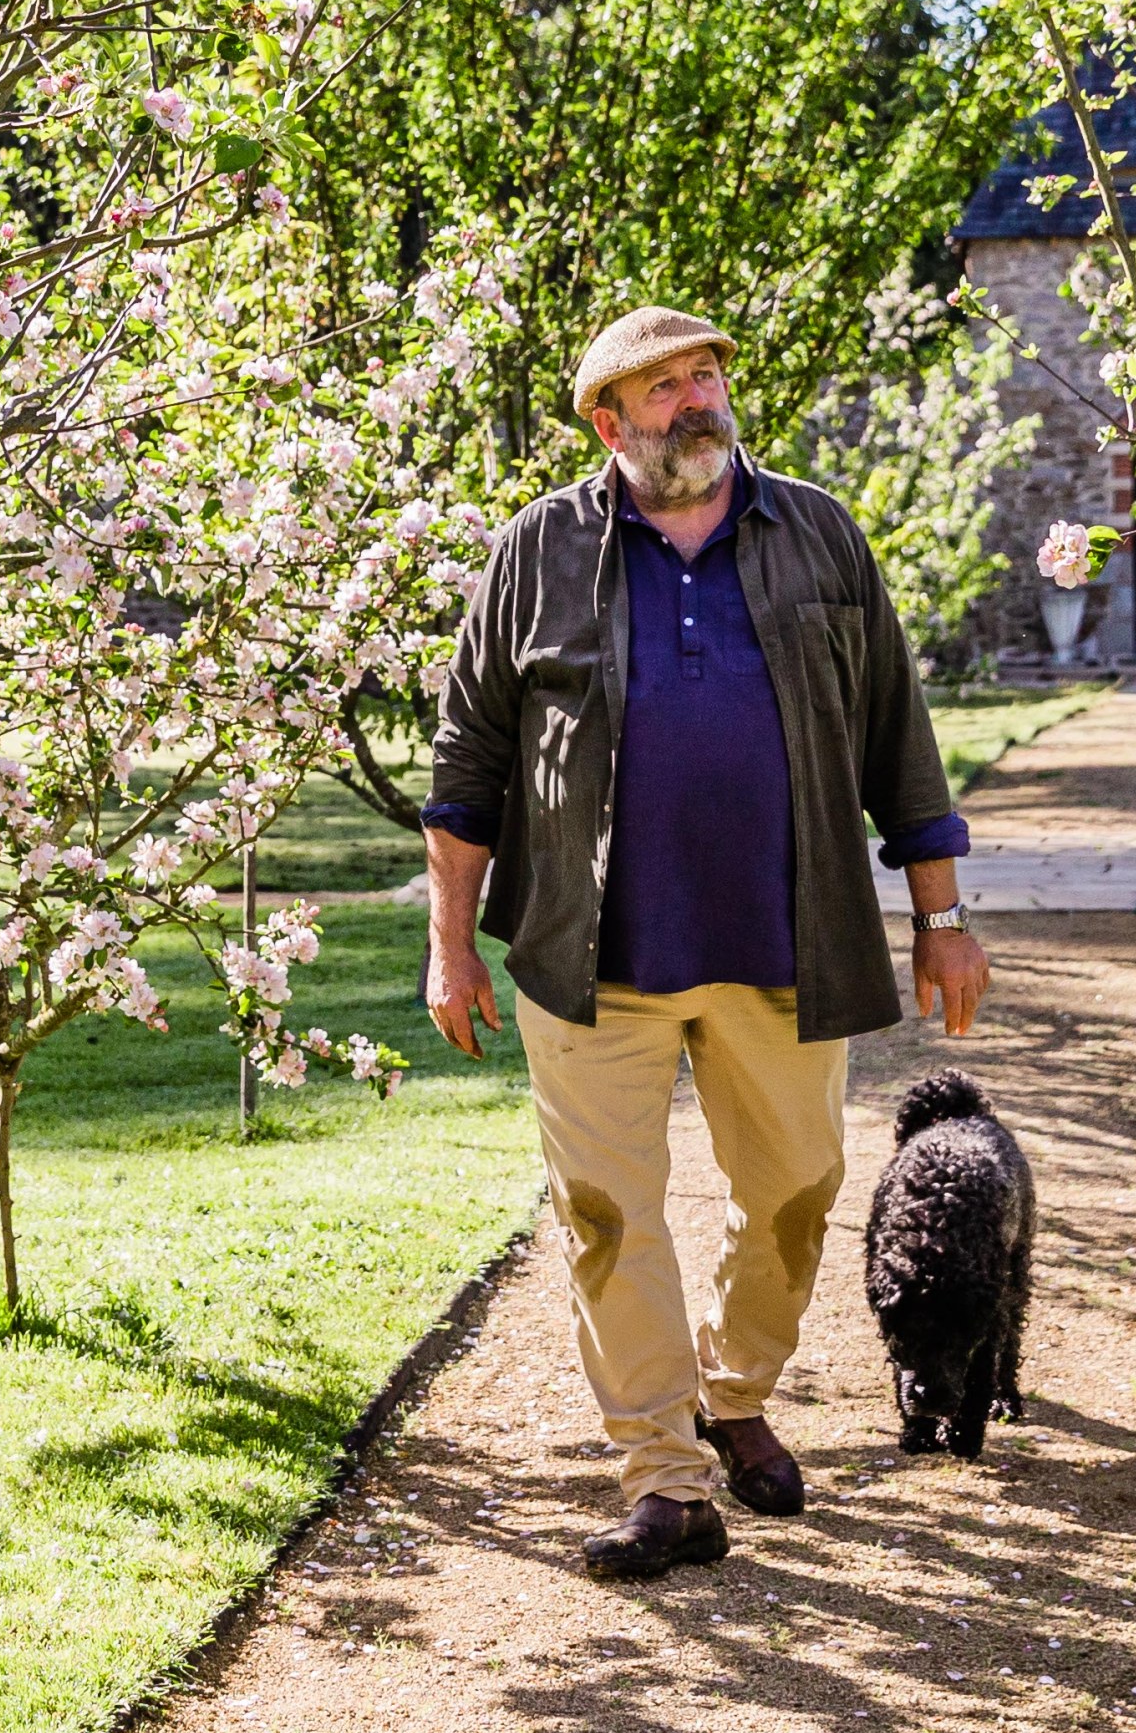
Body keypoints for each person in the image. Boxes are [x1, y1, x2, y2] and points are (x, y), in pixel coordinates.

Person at [421, 305, 990, 1579]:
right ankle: (664, 1479)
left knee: (795, 1191)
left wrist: (940, 918)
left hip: (786, 941)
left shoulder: (818, 533)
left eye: (706, 374)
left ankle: (732, 1395)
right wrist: (448, 942)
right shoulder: (534, 555)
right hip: (587, 952)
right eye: (662, 385)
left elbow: (899, 734)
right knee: (606, 1212)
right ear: (606, 421)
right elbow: (466, 766)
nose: (696, 399)